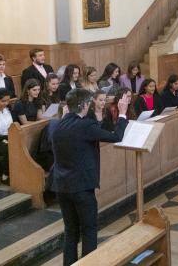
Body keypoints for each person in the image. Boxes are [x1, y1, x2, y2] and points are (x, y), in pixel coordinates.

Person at [50, 89, 129, 265]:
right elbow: (116, 136)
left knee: (70, 231)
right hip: (82, 187)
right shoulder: (85, 125)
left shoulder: (57, 125)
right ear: (85, 105)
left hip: (62, 186)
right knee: (88, 230)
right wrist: (122, 114)